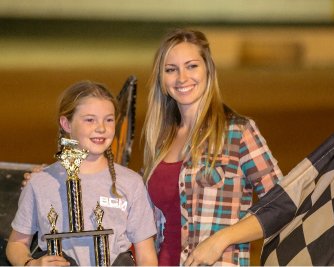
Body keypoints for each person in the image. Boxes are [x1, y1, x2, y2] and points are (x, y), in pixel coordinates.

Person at [142, 28, 283, 266]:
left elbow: (282, 204)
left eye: (192, 66)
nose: (182, 78)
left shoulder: (238, 132)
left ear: (208, 69)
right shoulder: (160, 140)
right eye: (171, 69)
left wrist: (221, 240)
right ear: (162, 80)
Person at [7, 81, 158, 266]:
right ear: (66, 124)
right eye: (90, 120)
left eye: (109, 119)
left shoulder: (131, 183)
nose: (101, 128)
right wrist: (31, 263)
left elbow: (146, 256)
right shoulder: (40, 182)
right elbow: (16, 243)